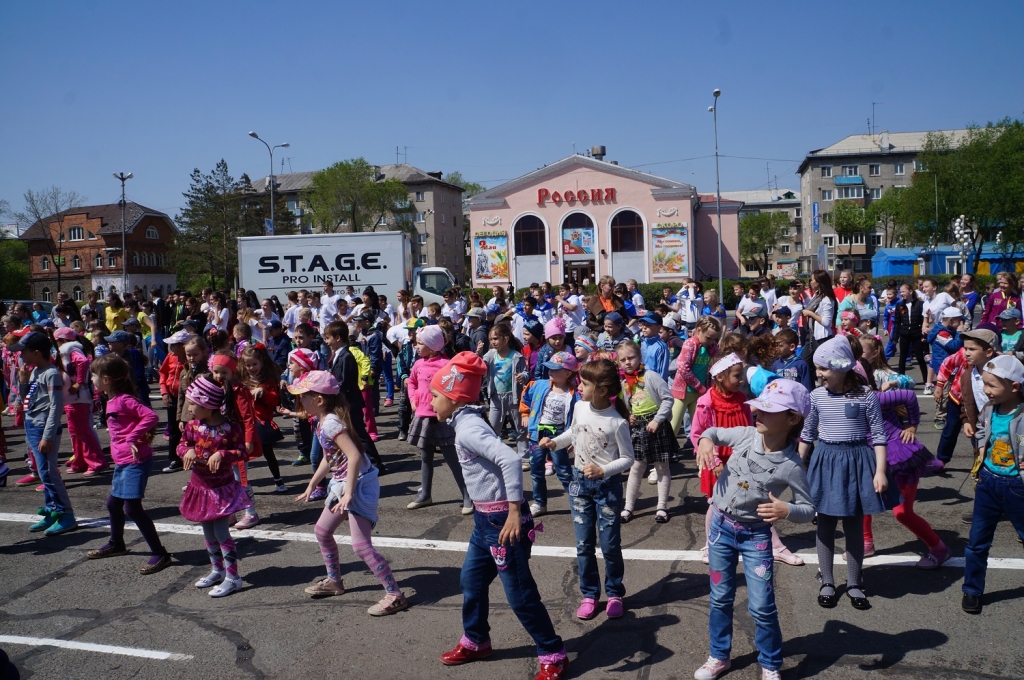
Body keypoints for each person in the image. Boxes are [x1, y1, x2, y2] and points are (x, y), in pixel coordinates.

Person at [429, 352, 568, 679]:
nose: (430, 401)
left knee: (520, 594)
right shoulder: (463, 422)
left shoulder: (467, 429)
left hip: (502, 523)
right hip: (485, 523)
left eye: (435, 395)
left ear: (453, 396)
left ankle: (553, 652)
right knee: (471, 582)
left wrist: (515, 511)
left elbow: (508, 459)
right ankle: (476, 640)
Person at [693, 379, 814, 680]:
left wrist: (787, 510)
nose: (757, 413)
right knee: (720, 597)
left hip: (756, 537)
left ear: (792, 419)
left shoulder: (792, 465)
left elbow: (809, 508)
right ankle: (719, 656)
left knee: (761, 606)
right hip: (720, 528)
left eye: (767, 410)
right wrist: (706, 441)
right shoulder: (746, 435)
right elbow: (710, 432)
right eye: (758, 407)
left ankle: (771, 664)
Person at [290, 371, 408, 614]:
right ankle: (335, 582)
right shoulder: (322, 420)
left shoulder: (331, 422)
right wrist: (313, 483)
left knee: (361, 546)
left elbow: (354, 455)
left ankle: (395, 594)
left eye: (304, 396)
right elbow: (330, 457)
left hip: (359, 485)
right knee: (322, 532)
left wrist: (349, 494)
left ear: (319, 400)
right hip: (342, 483)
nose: (300, 400)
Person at [798, 336, 888, 611]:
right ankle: (827, 580)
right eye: (817, 368)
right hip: (825, 460)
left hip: (858, 461)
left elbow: (879, 435)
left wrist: (880, 471)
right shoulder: (816, 396)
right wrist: (796, 467)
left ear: (841, 367)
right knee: (825, 524)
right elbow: (807, 433)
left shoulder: (865, 395)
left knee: (853, 526)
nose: (819, 374)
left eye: (824, 368)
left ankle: (854, 582)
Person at [540, 358, 634, 621]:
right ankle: (590, 594)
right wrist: (554, 443)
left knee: (609, 545)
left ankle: (614, 593)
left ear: (602, 389)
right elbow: (573, 432)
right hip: (578, 483)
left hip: (607, 488)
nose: (579, 386)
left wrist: (604, 470)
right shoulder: (580, 407)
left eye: (584, 383)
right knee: (583, 544)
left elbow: (628, 458)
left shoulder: (618, 422)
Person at [86, 354, 172, 573]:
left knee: (132, 508)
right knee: (113, 505)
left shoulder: (124, 399)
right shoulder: (111, 400)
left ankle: (159, 553)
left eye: (94, 375)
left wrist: (132, 437)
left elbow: (151, 416)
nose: (92, 379)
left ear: (106, 379)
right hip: (122, 462)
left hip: (136, 461)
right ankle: (117, 544)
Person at [178, 376, 252, 597]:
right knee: (208, 531)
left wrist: (223, 453)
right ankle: (217, 570)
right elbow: (182, 445)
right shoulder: (192, 426)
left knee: (221, 531)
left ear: (208, 406)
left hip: (222, 488)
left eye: (192, 404)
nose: (189, 408)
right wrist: (187, 451)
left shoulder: (230, 428)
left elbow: (242, 452)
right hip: (200, 486)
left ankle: (233, 577)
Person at [962, 355, 1024, 614]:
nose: (986, 390)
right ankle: (972, 590)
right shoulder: (989, 408)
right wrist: (979, 445)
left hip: (1017, 486)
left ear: (1014, 387)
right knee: (977, 541)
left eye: (992, 386)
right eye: (985, 384)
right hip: (988, 481)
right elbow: (980, 429)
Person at [863, 382, 949, 568]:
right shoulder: (836, 398)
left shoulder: (873, 397)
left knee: (902, 513)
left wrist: (912, 425)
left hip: (898, 456)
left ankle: (939, 549)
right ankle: (866, 543)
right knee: (862, 503)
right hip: (868, 458)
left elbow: (909, 395)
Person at [15, 331, 79, 535]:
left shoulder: (51, 373)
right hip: (33, 425)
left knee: (49, 474)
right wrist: (23, 381)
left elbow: (55, 406)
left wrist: (48, 435)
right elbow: (28, 401)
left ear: (36, 353)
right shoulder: (35, 371)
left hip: (43, 428)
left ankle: (66, 515)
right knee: (43, 473)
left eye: (23, 352)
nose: (20, 356)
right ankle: (52, 511)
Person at [405, 324, 471, 512]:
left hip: (441, 417)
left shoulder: (446, 365)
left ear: (433, 346)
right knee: (425, 457)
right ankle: (425, 494)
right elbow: (411, 383)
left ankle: (467, 496)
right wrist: (412, 400)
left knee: (452, 458)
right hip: (423, 416)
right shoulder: (418, 364)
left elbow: (455, 389)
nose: (416, 347)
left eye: (419, 343)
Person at [618, 341, 676, 524]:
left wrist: (657, 420)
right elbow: (623, 405)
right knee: (636, 468)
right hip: (638, 428)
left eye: (631, 358)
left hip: (657, 426)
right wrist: (628, 416)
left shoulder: (651, 376)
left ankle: (662, 507)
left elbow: (668, 399)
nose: (628, 362)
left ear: (640, 357)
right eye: (623, 360)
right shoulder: (623, 383)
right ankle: (628, 507)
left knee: (661, 467)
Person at [519, 351, 579, 518]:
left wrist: (573, 437)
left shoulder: (575, 394)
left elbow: (578, 417)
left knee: (564, 471)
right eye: (549, 369)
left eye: (555, 369)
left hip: (559, 434)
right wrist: (524, 414)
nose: (550, 372)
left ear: (568, 373)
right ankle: (539, 503)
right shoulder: (540, 385)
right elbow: (526, 397)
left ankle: (577, 500)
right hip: (537, 433)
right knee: (536, 470)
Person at [53, 327, 106, 475]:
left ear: (62, 340)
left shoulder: (70, 350)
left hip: (78, 397)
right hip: (72, 398)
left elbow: (82, 362)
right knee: (75, 431)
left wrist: (79, 383)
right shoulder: (68, 351)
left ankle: (96, 461)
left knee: (83, 430)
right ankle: (80, 461)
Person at [238, 344, 287, 493]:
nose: (252, 368)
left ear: (261, 362)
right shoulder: (241, 380)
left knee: (268, 452)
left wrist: (263, 392)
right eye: (248, 365)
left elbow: (274, 400)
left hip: (261, 421)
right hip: (245, 422)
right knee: (241, 454)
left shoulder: (268, 379)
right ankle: (241, 484)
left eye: (254, 364)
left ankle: (278, 480)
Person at [670, 316, 722, 440]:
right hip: (683, 392)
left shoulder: (711, 346)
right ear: (698, 330)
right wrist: (699, 386)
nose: (711, 341)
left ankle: (699, 449)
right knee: (673, 425)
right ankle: (666, 452)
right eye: (708, 338)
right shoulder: (690, 343)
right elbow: (682, 367)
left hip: (699, 394)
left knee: (700, 426)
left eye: (714, 339)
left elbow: (717, 362)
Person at [483, 323, 528, 464]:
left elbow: (526, 372)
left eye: (496, 338)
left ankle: (524, 457)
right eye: (491, 339)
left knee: (521, 428)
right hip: (496, 398)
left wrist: (523, 376)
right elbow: (480, 367)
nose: (493, 342)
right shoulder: (490, 355)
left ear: (506, 338)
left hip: (514, 397)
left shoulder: (516, 356)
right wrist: (478, 354)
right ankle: (491, 455)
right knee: (492, 428)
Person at [927, 307, 964, 418]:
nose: (961, 323)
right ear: (951, 320)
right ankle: (940, 416)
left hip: (951, 366)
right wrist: (960, 333)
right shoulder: (942, 333)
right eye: (959, 320)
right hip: (944, 368)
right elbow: (954, 346)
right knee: (944, 392)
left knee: (955, 390)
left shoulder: (947, 330)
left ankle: (951, 413)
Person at [800, 270, 836, 364]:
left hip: (821, 338)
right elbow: (810, 305)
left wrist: (810, 314)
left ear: (819, 282)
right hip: (811, 336)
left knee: (820, 364)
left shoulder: (827, 299)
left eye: (812, 280)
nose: (810, 282)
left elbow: (826, 322)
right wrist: (801, 291)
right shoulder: (817, 295)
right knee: (805, 362)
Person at [895, 282, 928, 384]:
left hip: (916, 333)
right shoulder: (900, 305)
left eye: (904, 291)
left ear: (910, 291)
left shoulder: (920, 304)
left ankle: (926, 380)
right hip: (904, 333)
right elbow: (897, 322)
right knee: (902, 357)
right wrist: (895, 336)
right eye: (900, 292)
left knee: (919, 357)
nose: (902, 294)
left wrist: (923, 335)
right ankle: (901, 380)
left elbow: (924, 321)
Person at [637, 312, 670, 380]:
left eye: (648, 325)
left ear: (658, 328)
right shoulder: (643, 343)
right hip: (642, 382)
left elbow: (662, 373)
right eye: (643, 325)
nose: (644, 327)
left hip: (655, 384)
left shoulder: (661, 347)